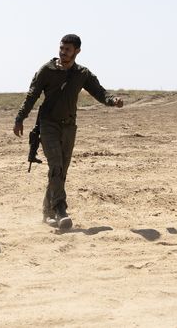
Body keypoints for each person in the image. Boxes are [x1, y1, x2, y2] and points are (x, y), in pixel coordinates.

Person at [13, 34, 124, 230]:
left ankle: (47, 213)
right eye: (62, 48)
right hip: (48, 125)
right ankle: (61, 210)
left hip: (69, 126)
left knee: (60, 170)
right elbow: (31, 96)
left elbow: (99, 92)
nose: (63, 52)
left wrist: (112, 101)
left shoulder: (82, 73)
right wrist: (20, 118)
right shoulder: (46, 70)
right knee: (55, 165)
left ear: (77, 51)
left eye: (68, 50)